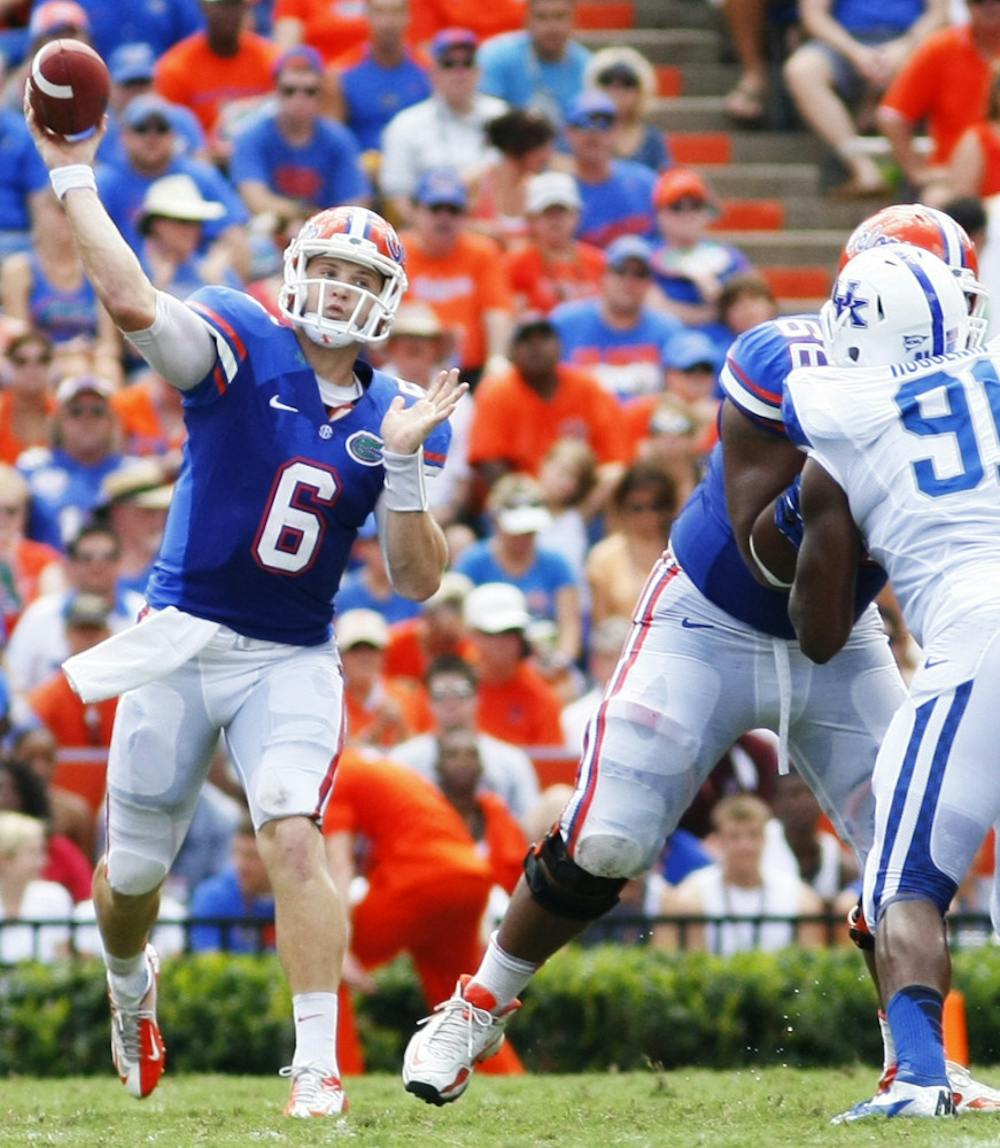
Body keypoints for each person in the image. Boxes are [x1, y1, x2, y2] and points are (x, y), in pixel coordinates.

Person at [397, 204, 1000, 1112]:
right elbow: (767, 547)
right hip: (709, 619)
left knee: (904, 848)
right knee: (605, 836)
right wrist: (831, 477)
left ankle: (913, 1065)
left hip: (837, 637)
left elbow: (833, 624)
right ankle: (479, 1002)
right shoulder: (786, 368)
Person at [27, 90, 462, 1118]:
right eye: (332, 269)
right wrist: (73, 174)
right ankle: (131, 987)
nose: (343, 290)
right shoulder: (238, 333)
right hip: (180, 639)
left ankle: (316, 1064)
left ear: (389, 298)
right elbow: (136, 303)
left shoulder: (403, 412)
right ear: (294, 271)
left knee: (293, 831)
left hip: (290, 653)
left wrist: (402, 473)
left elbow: (416, 579)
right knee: (132, 870)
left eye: (365, 278)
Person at [771, 243, 1000, 1120]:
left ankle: (918, 1077)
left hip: (976, 642)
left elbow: (820, 633)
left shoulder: (837, 412)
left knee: (902, 883)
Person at [322, 745, 525, 1076]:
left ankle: (335, 1077)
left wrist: (340, 951)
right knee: (463, 1001)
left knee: (321, 962)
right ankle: (510, 1080)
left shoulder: (335, 774)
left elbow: (339, 865)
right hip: (469, 878)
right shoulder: (376, 766)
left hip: (421, 880)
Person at [782, 0, 947, 198]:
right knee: (802, 70)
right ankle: (861, 166)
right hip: (845, 41)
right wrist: (855, 51)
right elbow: (813, 15)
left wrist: (905, 47)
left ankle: (917, 169)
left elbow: (940, 13)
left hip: (912, 43)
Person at [467, 311, 628, 489]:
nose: (536, 346)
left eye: (544, 338)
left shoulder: (589, 388)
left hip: (581, 496)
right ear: (512, 352)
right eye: (526, 340)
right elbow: (489, 461)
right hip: (520, 499)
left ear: (560, 346)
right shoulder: (496, 391)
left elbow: (613, 458)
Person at [659, 793, 826, 955]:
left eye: (753, 835)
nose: (744, 846)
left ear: (765, 838)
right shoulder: (690, 897)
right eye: (734, 836)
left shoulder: (801, 898)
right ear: (718, 840)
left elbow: (809, 965)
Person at [390, 652, 540, 821]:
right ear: (428, 701)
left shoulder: (511, 760)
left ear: (477, 697)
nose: (451, 702)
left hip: (497, 842)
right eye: (440, 695)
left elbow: (528, 821)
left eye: (461, 693)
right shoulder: (403, 762)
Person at [379, 29, 508, 225]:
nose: (459, 72)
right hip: (432, 230)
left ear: (479, 71)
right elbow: (397, 197)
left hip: (498, 230)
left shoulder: (503, 116)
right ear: (432, 72)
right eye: (449, 64)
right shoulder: (406, 124)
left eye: (467, 63)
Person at [228, 46, 372, 223]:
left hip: (327, 235)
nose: (299, 99)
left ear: (321, 94)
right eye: (289, 91)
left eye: (309, 91)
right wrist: (303, 214)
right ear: (275, 92)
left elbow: (355, 206)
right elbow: (255, 201)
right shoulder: (251, 136)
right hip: (271, 230)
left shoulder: (340, 140)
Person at [400, 168, 514, 386]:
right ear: (415, 211)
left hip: (471, 373)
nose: (445, 218)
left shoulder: (483, 252)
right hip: (408, 372)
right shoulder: (397, 251)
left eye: (453, 210)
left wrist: (497, 360)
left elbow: (497, 310)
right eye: (435, 208)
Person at [878, 2, 1000, 199]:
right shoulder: (941, 48)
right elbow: (892, 115)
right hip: (951, 178)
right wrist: (916, 171)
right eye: (978, 0)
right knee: (935, 203)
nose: (989, 6)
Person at [0, 191, 122, 382]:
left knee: (108, 369)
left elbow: (109, 344)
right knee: (74, 369)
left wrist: (91, 353)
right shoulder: (20, 269)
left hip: (90, 357)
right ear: (42, 212)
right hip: (40, 360)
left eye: (76, 213)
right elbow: (20, 340)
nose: (68, 218)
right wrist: (65, 351)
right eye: (60, 210)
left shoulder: (98, 269)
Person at [550, 234, 682, 402]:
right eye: (621, 271)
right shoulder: (565, 322)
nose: (629, 281)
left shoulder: (668, 330)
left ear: (650, 283)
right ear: (604, 276)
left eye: (640, 274)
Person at [17, 377, 131, 549]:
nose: (87, 419)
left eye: (98, 411)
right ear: (59, 422)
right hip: (48, 570)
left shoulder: (133, 473)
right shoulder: (31, 469)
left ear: (112, 422)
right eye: (76, 412)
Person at [154, 0, 282, 141]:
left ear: (245, 9)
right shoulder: (176, 67)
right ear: (204, 8)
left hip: (259, 152)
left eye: (234, 6)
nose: (228, 14)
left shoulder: (270, 60)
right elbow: (167, 130)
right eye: (221, 6)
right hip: (199, 154)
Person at [330, 0, 432, 155]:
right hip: (361, 169)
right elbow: (334, 140)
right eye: (380, 12)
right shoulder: (340, 74)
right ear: (366, 16)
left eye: (395, 12)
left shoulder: (428, 71)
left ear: (408, 16)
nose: (388, 22)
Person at [563, 90, 657, 250]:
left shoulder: (646, 183)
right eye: (583, 123)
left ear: (617, 130)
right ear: (568, 132)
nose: (594, 133)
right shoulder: (560, 194)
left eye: (604, 123)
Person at [476, 0, 590, 129]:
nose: (552, 26)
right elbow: (483, 116)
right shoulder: (496, 56)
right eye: (542, 17)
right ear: (527, 21)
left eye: (560, 16)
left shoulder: (588, 67)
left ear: (574, 20)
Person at [503, 171, 606, 314]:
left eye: (561, 211)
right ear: (531, 219)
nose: (555, 220)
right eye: (547, 212)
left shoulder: (600, 262)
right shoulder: (513, 265)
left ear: (577, 215)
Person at [188, 811, 276, 953]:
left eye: (251, 856)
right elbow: (207, 962)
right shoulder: (212, 897)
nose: (241, 864)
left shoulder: (296, 899)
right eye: (237, 853)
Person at [0, 809, 73, 963]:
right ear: (4, 859)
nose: (43, 862)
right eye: (33, 853)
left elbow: (63, 962)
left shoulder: (54, 896)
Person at [584, 46, 671, 172]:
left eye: (627, 82)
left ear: (642, 91)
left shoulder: (653, 139)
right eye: (607, 81)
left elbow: (666, 179)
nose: (616, 89)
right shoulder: (580, 130)